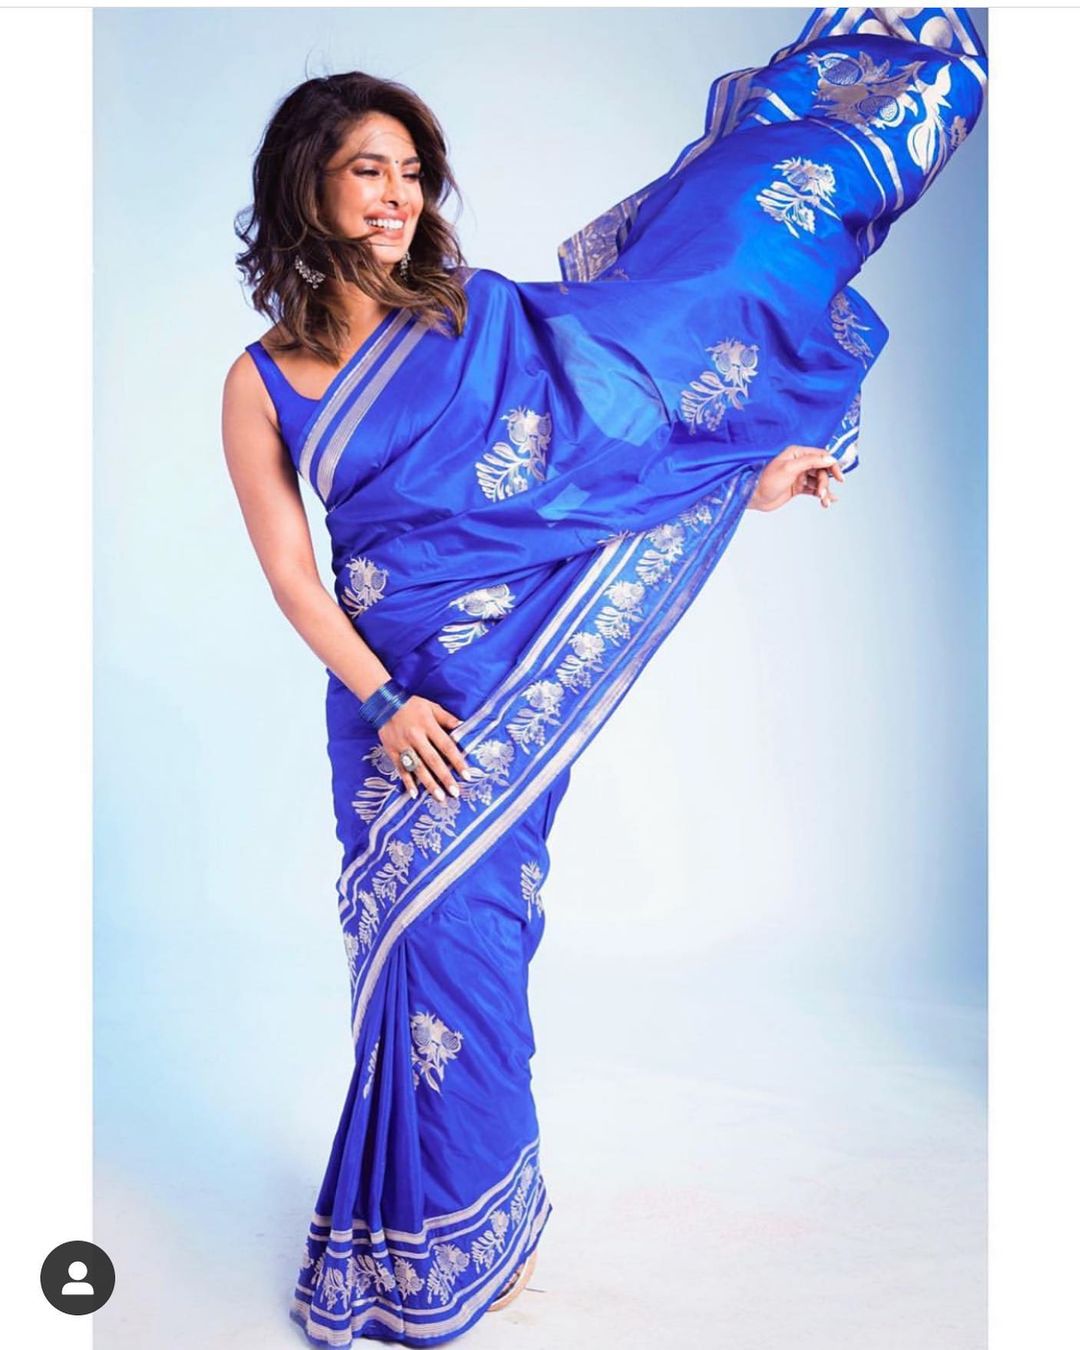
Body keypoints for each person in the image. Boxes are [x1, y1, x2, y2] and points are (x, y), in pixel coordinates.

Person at [221, 7, 987, 1344]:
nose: (400, 195)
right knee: (411, 953)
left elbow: (606, 431)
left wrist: (746, 469)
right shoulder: (262, 378)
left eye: (412, 172)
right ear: (310, 188)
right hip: (392, 704)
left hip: (509, 675)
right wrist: (383, 702)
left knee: (483, 942)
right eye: (369, 171)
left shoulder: (471, 318)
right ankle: (415, 1231)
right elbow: (293, 572)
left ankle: (485, 1222)